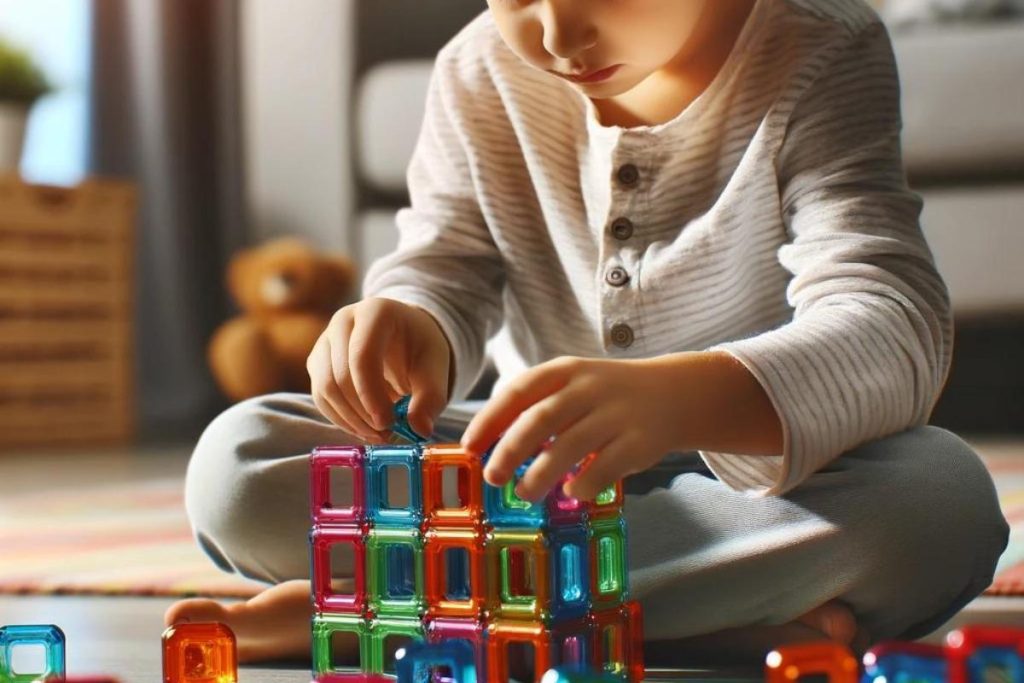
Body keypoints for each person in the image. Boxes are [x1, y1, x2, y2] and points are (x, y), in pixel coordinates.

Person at [167, 0, 1009, 668]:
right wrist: (409, 318)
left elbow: (892, 322)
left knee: (940, 503)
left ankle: (407, 612)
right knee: (235, 464)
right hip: (524, 478)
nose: (560, 33)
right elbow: (445, 262)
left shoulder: (823, 49)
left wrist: (685, 400)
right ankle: (691, 623)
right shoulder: (476, 72)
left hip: (767, 485)